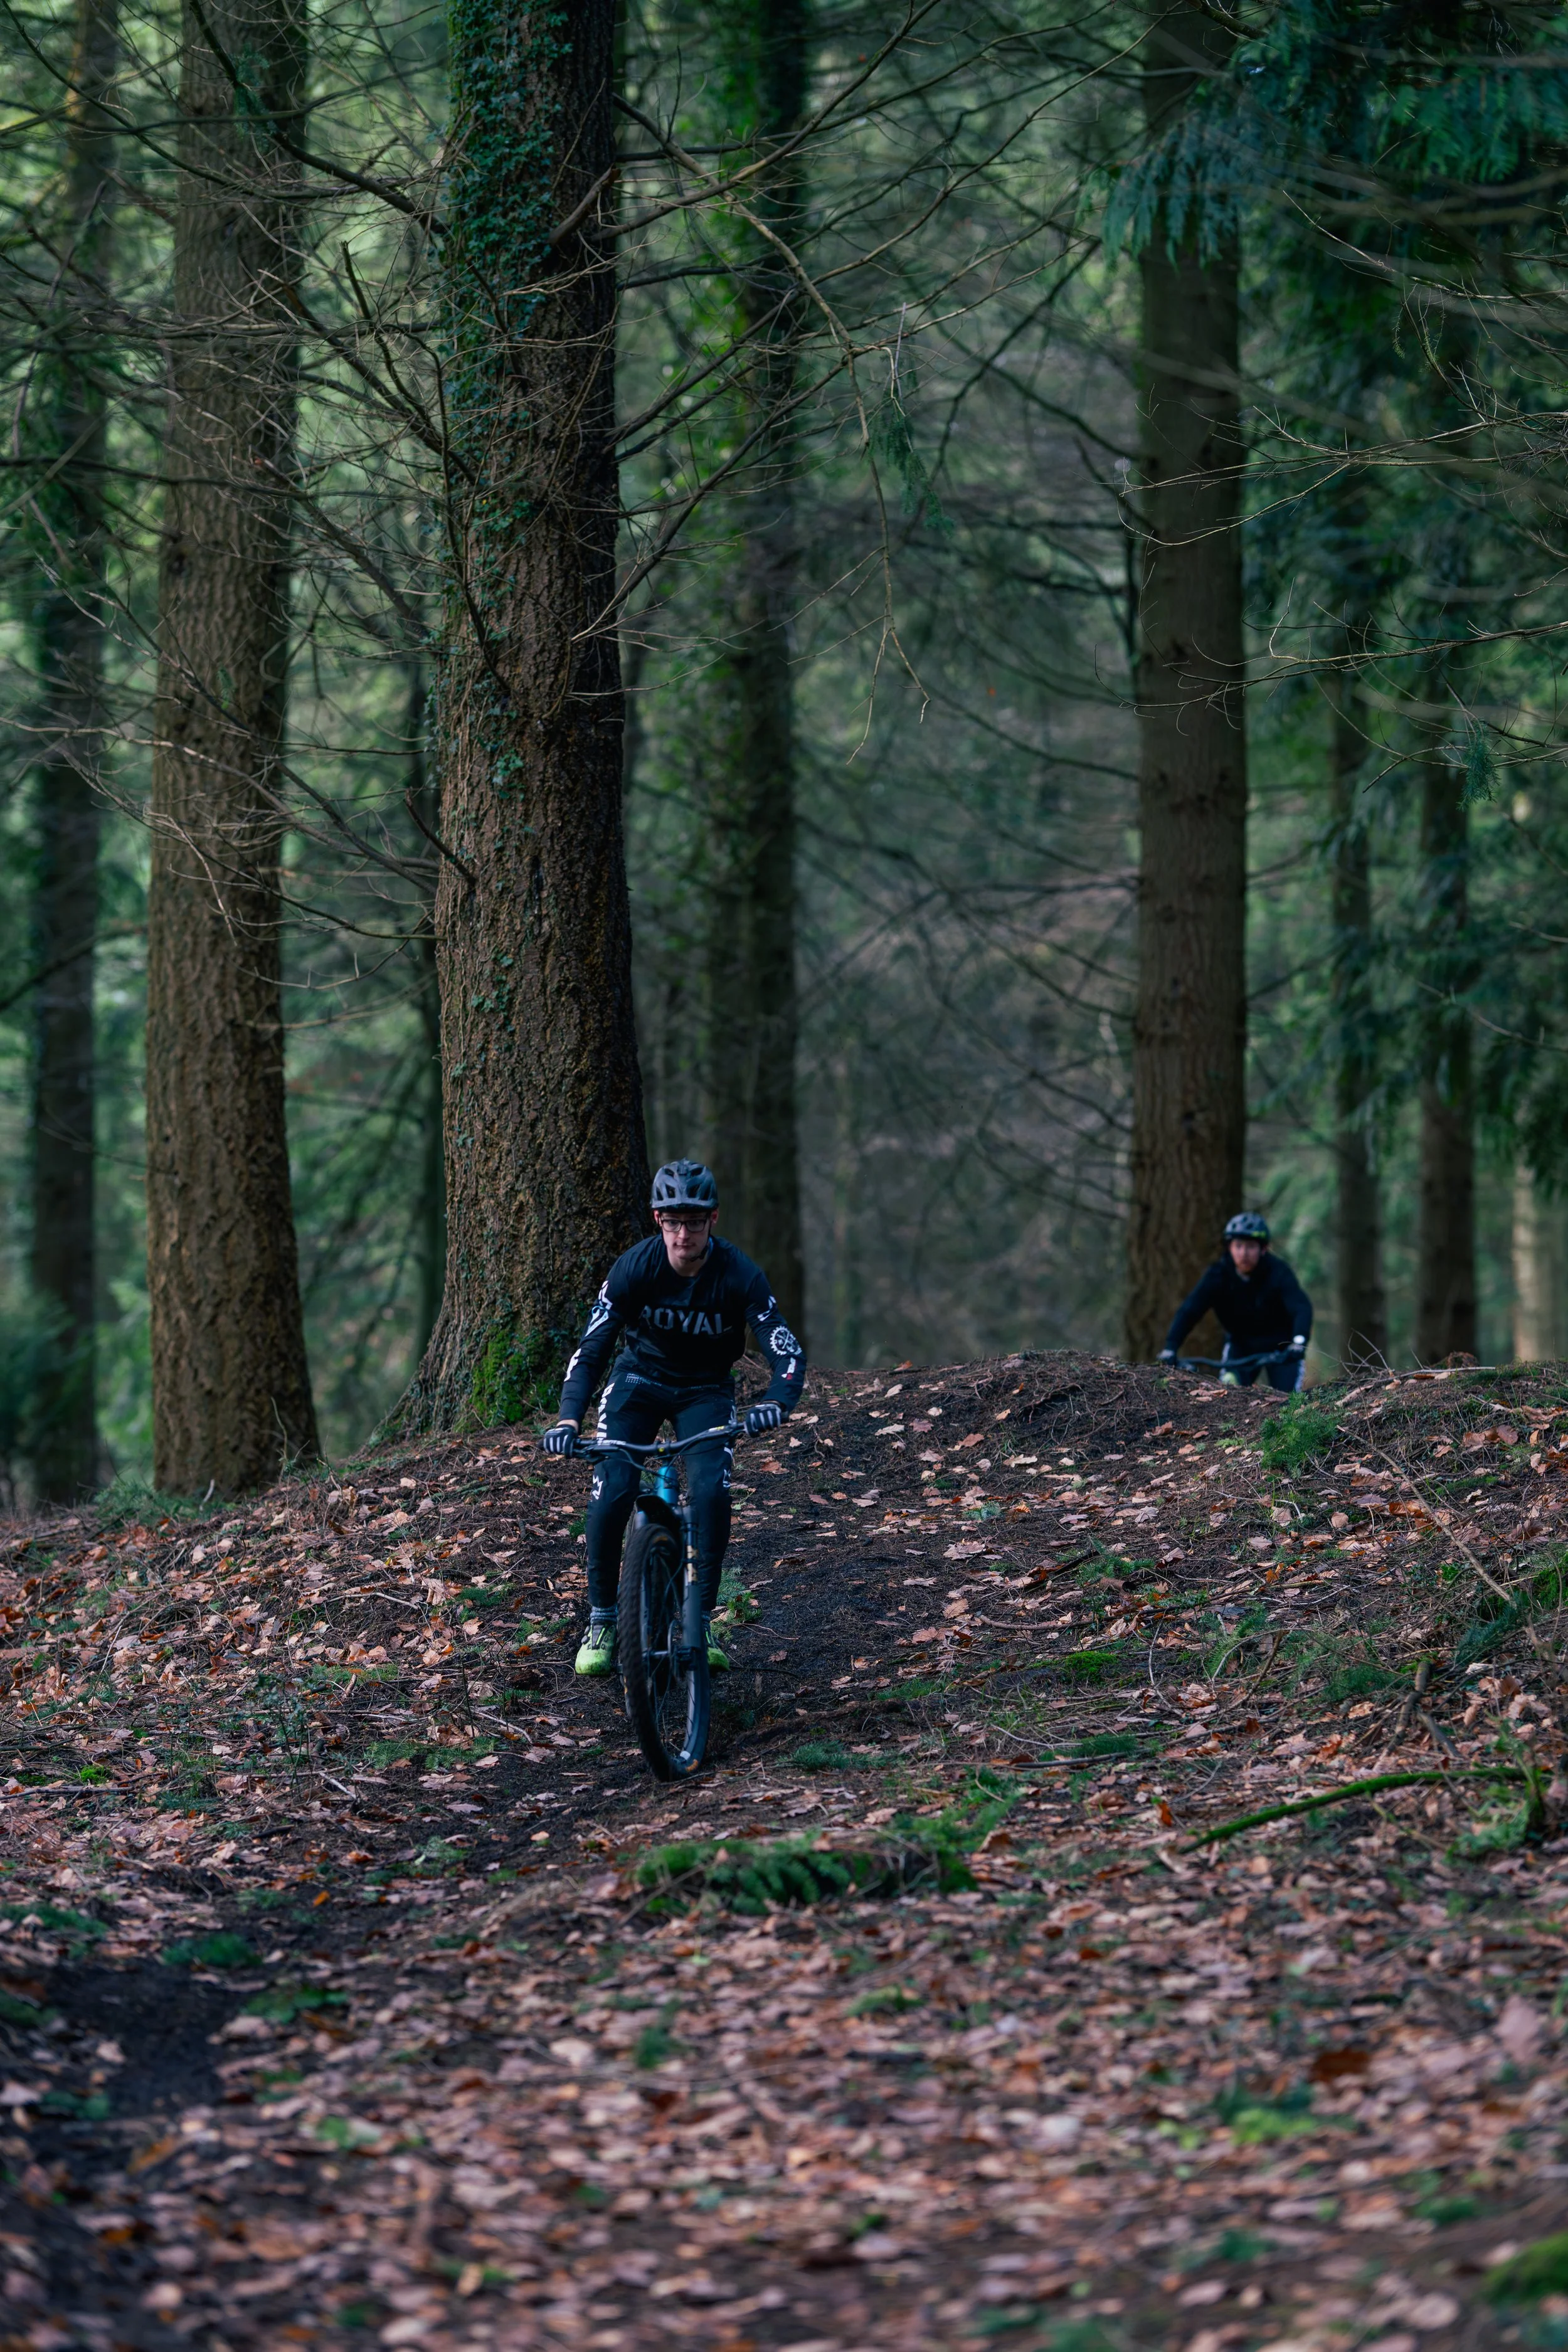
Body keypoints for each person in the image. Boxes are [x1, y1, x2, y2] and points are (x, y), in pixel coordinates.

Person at [541, 1160, 805, 1678]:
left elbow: (786, 1350)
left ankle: (700, 1618)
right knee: (613, 1485)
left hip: (705, 1390)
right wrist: (569, 1419)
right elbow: (591, 1350)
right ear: (658, 1220)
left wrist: (776, 1400)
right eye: (673, 1223)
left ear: (714, 1220)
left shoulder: (739, 1273)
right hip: (638, 1382)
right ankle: (601, 1619)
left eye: (696, 1222)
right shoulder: (634, 1268)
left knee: (709, 1491)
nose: (684, 1235)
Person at [1158, 1212, 1313, 1392]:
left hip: (1282, 1348)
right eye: (1238, 1246)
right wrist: (1171, 1346)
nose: (1243, 1253)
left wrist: (1299, 1342)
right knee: (1229, 1394)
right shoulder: (1218, 1275)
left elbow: (1301, 1307)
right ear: (1229, 1248)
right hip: (1241, 1347)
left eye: (1251, 1247)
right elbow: (1190, 1310)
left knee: (1289, 1400)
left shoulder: (1279, 1272)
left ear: (1263, 1249)